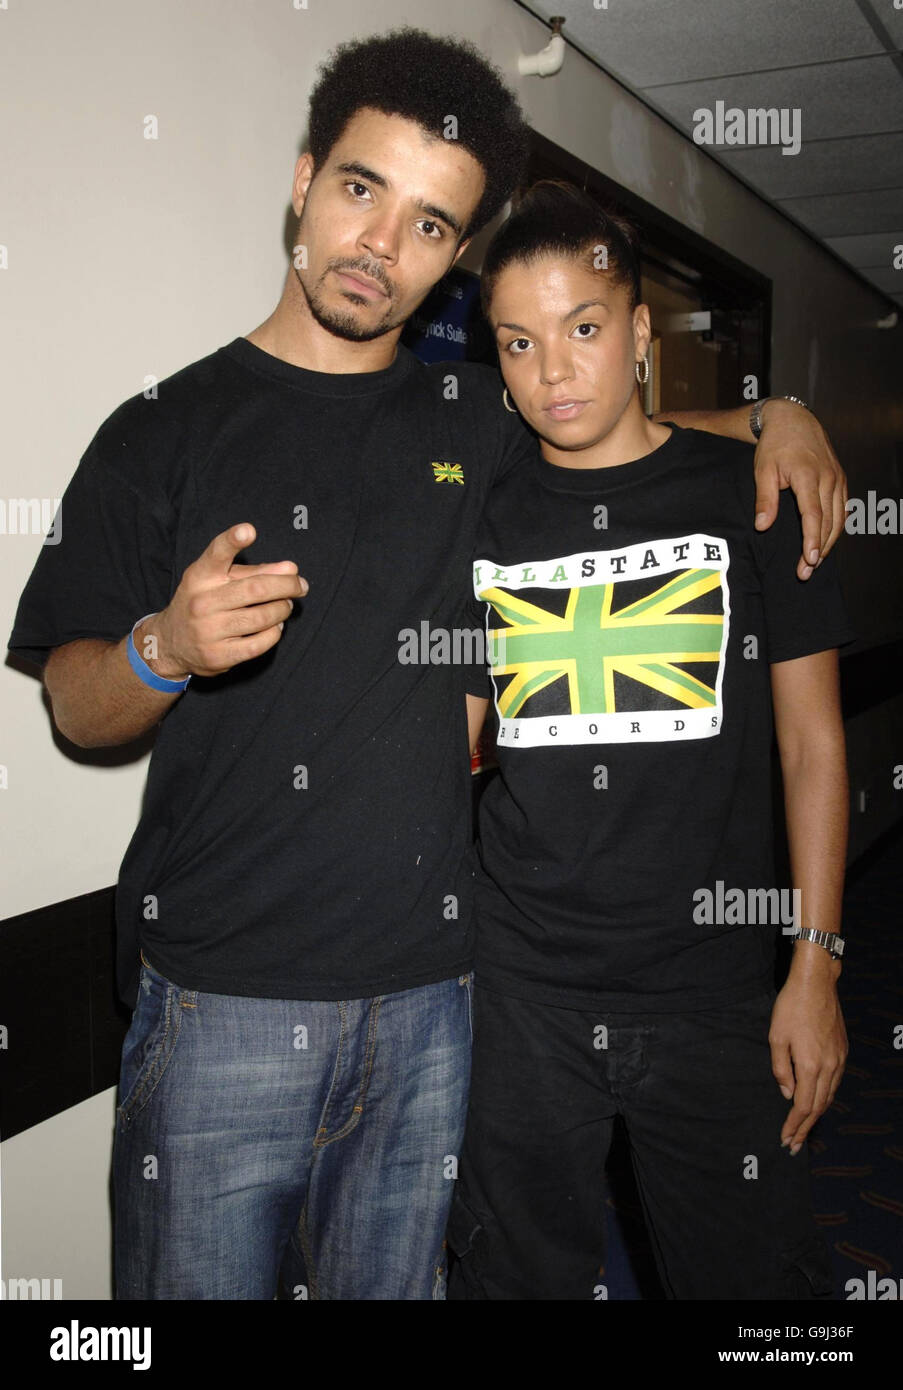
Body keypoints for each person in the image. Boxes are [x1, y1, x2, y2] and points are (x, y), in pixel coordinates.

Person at [7, 30, 846, 1301]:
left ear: (455, 256)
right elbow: (74, 701)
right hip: (221, 1010)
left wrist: (782, 415)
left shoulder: (477, 419)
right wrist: (162, 647)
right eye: (360, 190)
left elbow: (622, 431)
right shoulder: (158, 428)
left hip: (441, 1012)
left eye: (431, 225)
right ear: (300, 182)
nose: (380, 245)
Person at [449, 181, 852, 1301]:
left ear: (639, 332)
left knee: (761, 1290)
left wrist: (816, 965)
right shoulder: (486, 510)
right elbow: (453, 734)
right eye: (519, 342)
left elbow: (814, 749)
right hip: (519, 987)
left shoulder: (753, 493)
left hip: (712, 993)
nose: (554, 371)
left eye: (583, 328)